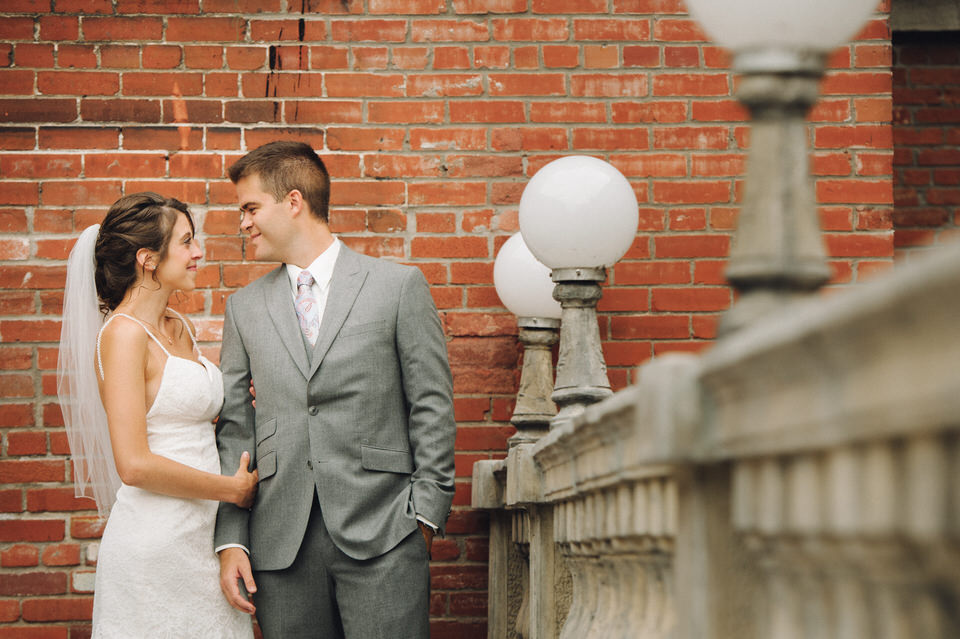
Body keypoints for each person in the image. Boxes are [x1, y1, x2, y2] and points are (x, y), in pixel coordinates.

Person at [214, 141, 456, 639]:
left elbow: (431, 403)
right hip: (281, 545)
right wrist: (232, 540)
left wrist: (425, 515)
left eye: (250, 207)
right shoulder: (243, 308)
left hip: (387, 530)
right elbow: (236, 429)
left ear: (295, 202)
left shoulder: (397, 287)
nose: (243, 222)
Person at [57, 192, 258, 638]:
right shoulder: (123, 337)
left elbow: (186, 418)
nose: (198, 252)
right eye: (186, 242)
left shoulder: (176, 325)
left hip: (203, 537)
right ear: (148, 259)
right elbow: (133, 464)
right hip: (155, 541)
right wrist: (232, 490)